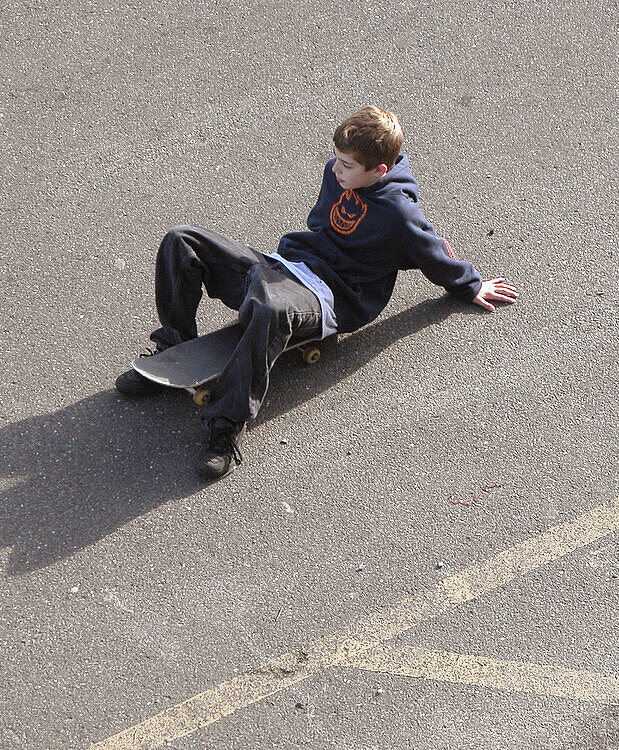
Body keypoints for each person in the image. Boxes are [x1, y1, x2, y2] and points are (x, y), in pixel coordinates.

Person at [115, 106, 519, 479]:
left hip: (328, 297)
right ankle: (173, 347)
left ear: (378, 169)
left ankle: (225, 424)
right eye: (337, 160)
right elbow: (321, 221)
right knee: (181, 241)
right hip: (282, 267)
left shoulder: (399, 212)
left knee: (269, 307)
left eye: (347, 165)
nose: (336, 170)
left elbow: (431, 254)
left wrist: (470, 284)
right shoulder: (337, 172)